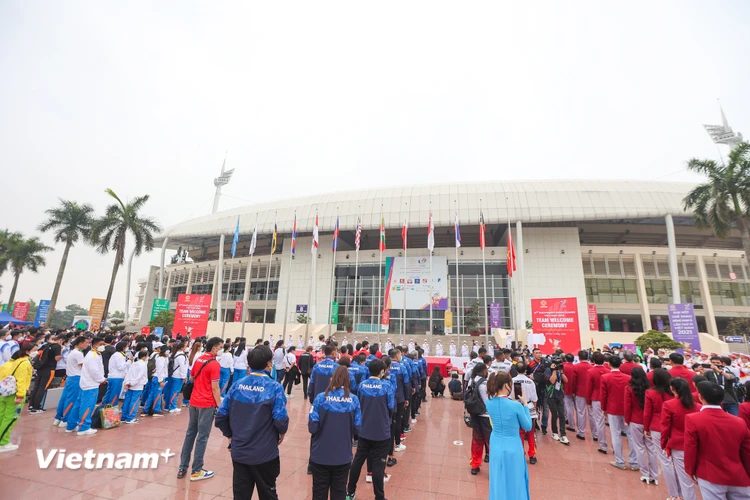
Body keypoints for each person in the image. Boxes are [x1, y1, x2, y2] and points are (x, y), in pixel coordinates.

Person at [216, 345, 289, 500]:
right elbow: (280, 419)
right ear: (269, 363)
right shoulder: (274, 388)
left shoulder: (237, 386)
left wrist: (230, 435)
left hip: (240, 451)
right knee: (268, 494)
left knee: (241, 495)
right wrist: (281, 432)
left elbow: (221, 415)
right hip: (265, 453)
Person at [684, 381, 750, 499]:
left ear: (700, 397)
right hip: (738, 475)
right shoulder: (739, 422)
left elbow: (690, 447)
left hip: (710, 474)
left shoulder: (693, 419)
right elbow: (747, 451)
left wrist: (690, 470)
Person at [309, 366, 361, 500]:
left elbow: (312, 427)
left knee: (319, 492)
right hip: (342, 455)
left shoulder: (320, 398)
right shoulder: (353, 400)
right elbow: (357, 428)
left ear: (332, 379)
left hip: (320, 454)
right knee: (339, 492)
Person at [346, 359, 394, 500]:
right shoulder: (387, 386)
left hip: (364, 430)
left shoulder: (362, 385)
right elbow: (391, 407)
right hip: (381, 431)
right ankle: (379, 496)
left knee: (358, 461)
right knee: (379, 465)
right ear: (382, 372)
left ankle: (350, 491)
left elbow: (359, 404)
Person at [178, 336, 223, 481]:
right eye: (220, 347)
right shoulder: (214, 364)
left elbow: (192, 378)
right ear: (214, 348)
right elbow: (215, 388)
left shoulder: (199, 359)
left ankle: (182, 467)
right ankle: (197, 470)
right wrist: (219, 406)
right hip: (206, 403)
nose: (221, 350)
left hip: (194, 401)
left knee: (190, 433)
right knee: (202, 436)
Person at [485, 371, 532, 500]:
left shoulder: (489, 403)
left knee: (497, 478)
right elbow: (527, 426)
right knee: (515, 480)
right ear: (507, 385)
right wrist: (526, 405)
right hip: (513, 445)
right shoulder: (516, 405)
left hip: (495, 443)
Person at [660, 377, 701, 500]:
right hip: (696, 444)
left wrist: (663, 443)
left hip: (679, 445)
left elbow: (665, 427)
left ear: (672, 389)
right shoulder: (697, 406)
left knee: (685, 479)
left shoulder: (669, 405)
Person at [601, 355, 638, 469]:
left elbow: (604, 395)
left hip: (612, 409)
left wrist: (604, 409)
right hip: (627, 409)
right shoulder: (628, 378)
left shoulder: (605, 377)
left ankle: (620, 461)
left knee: (615, 434)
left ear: (609, 364)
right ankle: (634, 462)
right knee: (631, 435)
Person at [65, 336, 106, 435]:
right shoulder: (93, 356)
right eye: (101, 344)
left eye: (103, 345)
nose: (103, 346)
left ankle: (71, 425)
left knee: (78, 405)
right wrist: (101, 379)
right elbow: (94, 371)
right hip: (90, 384)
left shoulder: (93, 354)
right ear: (95, 345)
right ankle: (84, 427)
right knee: (87, 406)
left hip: (86, 383)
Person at [644, 369, 676, 494]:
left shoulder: (651, 392)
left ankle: (674, 493)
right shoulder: (674, 392)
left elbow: (647, 413)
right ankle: (680, 492)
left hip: (657, 427)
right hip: (674, 427)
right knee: (675, 461)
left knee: (665, 460)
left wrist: (646, 428)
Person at [624, 367, 657, 485]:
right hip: (648, 421)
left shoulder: (629, 389)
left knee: (639, 447)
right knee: (651, 448)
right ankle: (654, 475)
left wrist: (627, 420)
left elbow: (627, 406)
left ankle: (645, 473)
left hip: (635, 420)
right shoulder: (650, 389)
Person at [0, 341, 34, 451]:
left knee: (2, 416)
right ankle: (3, 442)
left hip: (5, 392)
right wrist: (20, 395)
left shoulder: (12, 362)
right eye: (35, 350)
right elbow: (21, 380)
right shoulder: (24, 363)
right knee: (11, 418)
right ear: (28, 351)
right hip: (15, 394)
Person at [53, 335, 88, 427]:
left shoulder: (72, 352)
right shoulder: (78, 354)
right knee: (71, 399)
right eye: (86, 343)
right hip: (76, 378)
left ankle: (58, 418)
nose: (87, 345)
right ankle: (65, 419)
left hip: (70, 377)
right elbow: (83, 366)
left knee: (64, 398)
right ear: (80, 343)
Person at [28, 334, 62, 414]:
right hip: (50, 369)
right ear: (60, 340)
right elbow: (57, 358)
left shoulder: (46, 345)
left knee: (37, 387)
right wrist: (61, 353)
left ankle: (31, 406)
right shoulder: (57, 347)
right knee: (43, 387)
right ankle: (36, 407)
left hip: (41, 368)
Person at [513, 362, 538, 464]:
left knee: (520, 434)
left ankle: (521, 454)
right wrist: (533, 410)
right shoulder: (530, 382)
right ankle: (532, 455)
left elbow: (510, 397)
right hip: (529, 407)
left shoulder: (511, 381)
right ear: (526, 370)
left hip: (516, 408)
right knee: (531, 433)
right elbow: (534, 398)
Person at [468, 362, 490, 475]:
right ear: (483, 371)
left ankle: (475, 465)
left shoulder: (471, 381)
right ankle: (494, 468)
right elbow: (487, 401)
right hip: (486, 415)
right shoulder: (484, 383)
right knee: (490, 441)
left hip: (475, 414)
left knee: (476, 440)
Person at [587, 351, 610, 453]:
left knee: (599, 422)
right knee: (613, 425)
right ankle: (614, 447)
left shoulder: (591, 371)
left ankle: (603, 445)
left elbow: (589, 388)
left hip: (596, 398)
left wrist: (588, 401)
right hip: (608, 398)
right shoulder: (608, 371)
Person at [545, 356, 570, 444]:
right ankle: (554, 432)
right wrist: (554, 370)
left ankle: (563, 434)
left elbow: (566, 380)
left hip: (560, 395)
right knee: (554, 414)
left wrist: (561, 372)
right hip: (551, 396)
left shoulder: (560, 370)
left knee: (562, 415)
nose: (558, 365)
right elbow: (552, 381)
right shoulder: (548, 370)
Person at [122, 349, 149, 424]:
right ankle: (130, 418)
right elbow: (139, 376)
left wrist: (128, 383)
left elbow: (128, 373)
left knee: (127, 400)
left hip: (130, 384)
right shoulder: (143, 365)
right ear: (144, 357)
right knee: (134, 401)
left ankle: (124, 417)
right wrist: (132, 383)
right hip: (137, 385)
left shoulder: (134, 363)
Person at [101, 340, 129, 406]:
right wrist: (129, 362)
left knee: (109, 394)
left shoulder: (114, 355)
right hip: (117, 377)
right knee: (114, 395)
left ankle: (103, 407)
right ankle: (112, 409)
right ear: (123, 348)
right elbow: (120, 367)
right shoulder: (120, 356)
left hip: (111, 376)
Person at [572, 350, 592, 441]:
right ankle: (595, 434)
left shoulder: (576, 367)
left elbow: (574, 381)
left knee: (581, 412)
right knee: (592, 414)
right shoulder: (591, 367)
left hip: (580, 392)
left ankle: (581, 432)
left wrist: (573, 391)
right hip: (590, 392)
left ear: (579, 357)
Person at [165, 342, 188, 412]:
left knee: (169, 390)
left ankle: (167, 405)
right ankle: (172, 407)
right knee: (175, 391)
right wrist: (184, 376)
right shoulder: (181, 356)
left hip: (171, 374)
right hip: (178, 376)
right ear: (182, 348)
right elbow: (182, 367)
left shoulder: (173, 354)